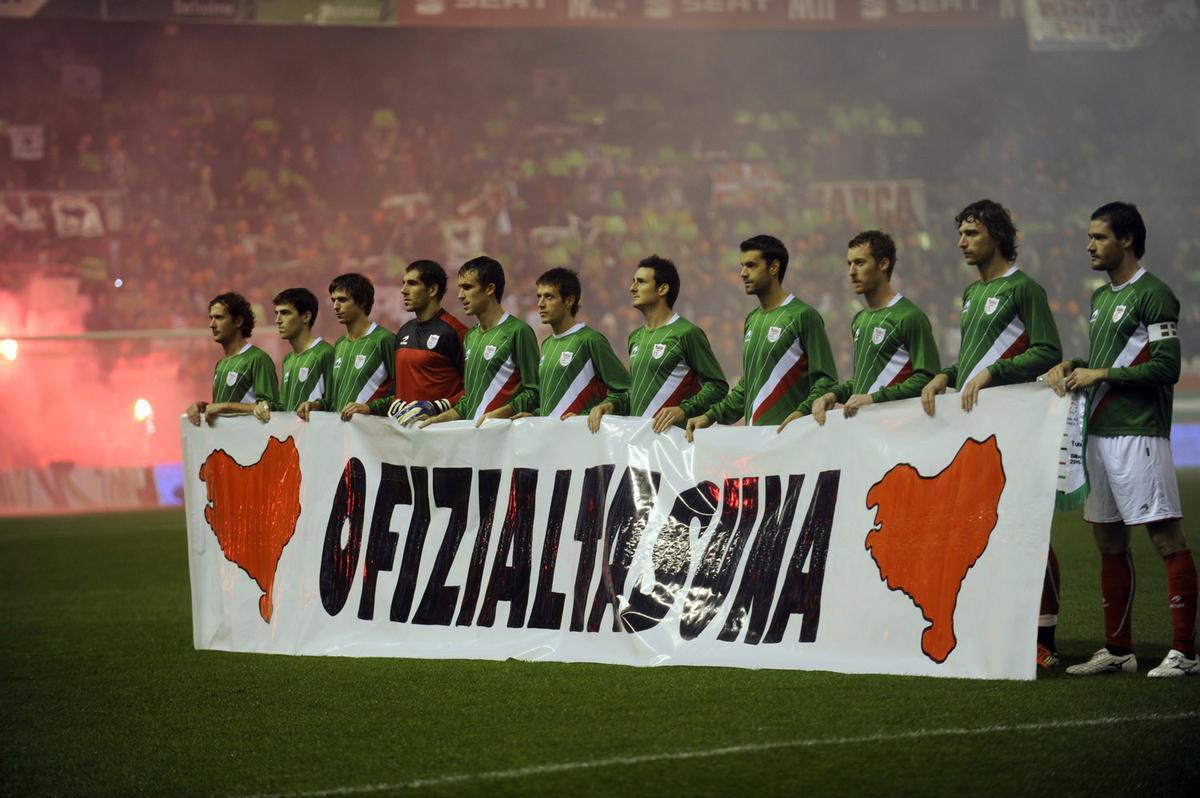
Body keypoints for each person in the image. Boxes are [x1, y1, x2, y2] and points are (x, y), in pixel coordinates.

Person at [1045, 202, 1196, 677]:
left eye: (1099, 237)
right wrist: (1076, 364)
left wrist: (1101, 372)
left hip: (1139, 433)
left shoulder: (1155, 294)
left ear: (1126, 239)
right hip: (1099, 434)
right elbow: (1108, 357)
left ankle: (1185, 654)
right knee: (1108, 540)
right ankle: (1119, 650)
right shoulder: (1101, 298)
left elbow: (1167, 368)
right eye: (1089, 237)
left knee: (1167, 539)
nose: (1090, 245)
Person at [918, 199, 1065, 669]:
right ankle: (1000, 626)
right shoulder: (971, 294)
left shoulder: (1024, 289)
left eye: (972, 233)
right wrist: (948, 374)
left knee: (1027, 528)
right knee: (988, 532)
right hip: (979, 430)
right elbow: (975, 359)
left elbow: (1048, 351)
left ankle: (1045, 639)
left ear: (997, 237)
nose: (962, 242)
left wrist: (992, 374)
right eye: (960, 233)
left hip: (1016, 428)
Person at [779, 231, 938, 431]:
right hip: (868, 435)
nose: (851, 272)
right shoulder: (860, 320)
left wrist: (872, 398)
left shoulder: (910, 316)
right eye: (849, 264)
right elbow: (864, 379)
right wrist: (832, 395)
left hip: (901, 432)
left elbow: (927, 378)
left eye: (860, 263)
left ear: (883, 264)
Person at [684, 234, 836, 439]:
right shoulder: (752, 320)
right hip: (757, 443)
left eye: (751, 266)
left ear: (774, 267)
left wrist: (802, 413)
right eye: (742, 266)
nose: (742, 273)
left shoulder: (803, 316)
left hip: (794, 442)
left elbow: (826, 380)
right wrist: (710, 416)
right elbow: (748, 386)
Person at [588, 255, 728, 434]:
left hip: (673, 444)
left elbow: (718, 386)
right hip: (639, 445)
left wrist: (684, 409)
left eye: (641, 282)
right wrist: (610, 405)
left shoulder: (686, 333)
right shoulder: (635, 337)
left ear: (662, 288)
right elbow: (638, 393)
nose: (632, 288)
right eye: (633, 282)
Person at [421, 256, 539, 426]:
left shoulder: (518, 331)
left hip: (506, 440)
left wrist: (500, 413)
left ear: (490, 288)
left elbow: (534, 391)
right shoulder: (471, 336)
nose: (461, 295)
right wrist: (436, 420)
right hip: (475, 441)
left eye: (467, 288)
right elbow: (470, 400)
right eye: (460, 288)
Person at [508, 267, 630, 419]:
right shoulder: (546, 344)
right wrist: (534, 416)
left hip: (582, 439)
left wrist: (593, 412)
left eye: (549, 297)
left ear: (569, 301)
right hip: (552, 439)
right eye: (539, 296)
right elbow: (553, 405)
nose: (540, 303)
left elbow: (626, 392)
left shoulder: (590, 340)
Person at [296, 273, 395, 422]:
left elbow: (404, 395)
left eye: (342, 300)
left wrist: (370, 408)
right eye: (333, 300)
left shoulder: (384, 339)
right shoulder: (340, 344)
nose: (335, 306)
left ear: (361, 302)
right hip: (343, 437)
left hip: (373, 436)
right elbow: (335, 400)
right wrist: (316, 405)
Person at [385, 260, 468, 426]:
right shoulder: (403, 331)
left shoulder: (456, 332)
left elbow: (473, 389)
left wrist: (438, 406)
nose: (403, 291)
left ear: (432, 290)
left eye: (412, 284)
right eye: (403, 284)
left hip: (441, 434)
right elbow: (396, 386)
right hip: (404, 436)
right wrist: (393, 402)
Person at [186, 292, 278, 426]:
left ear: (238, 321)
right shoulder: (221, 364)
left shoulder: (258, 359)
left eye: (219, 318)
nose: (212, 324)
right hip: (226, 444)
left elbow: (272, 408)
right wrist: (203, 407)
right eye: (211, 318)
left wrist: (225, 406)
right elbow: (228, 410)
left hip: (251, 444)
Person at [262, 287, 334, 419]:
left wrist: (316, 405)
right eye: (276, 313)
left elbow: (336, 402)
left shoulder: (326, 353)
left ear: (306, 317)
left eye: (285, 313)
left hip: (317, 436)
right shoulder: (288, 359)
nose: (277, 320)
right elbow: (285, 407)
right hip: (293, 438)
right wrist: (266, 406)